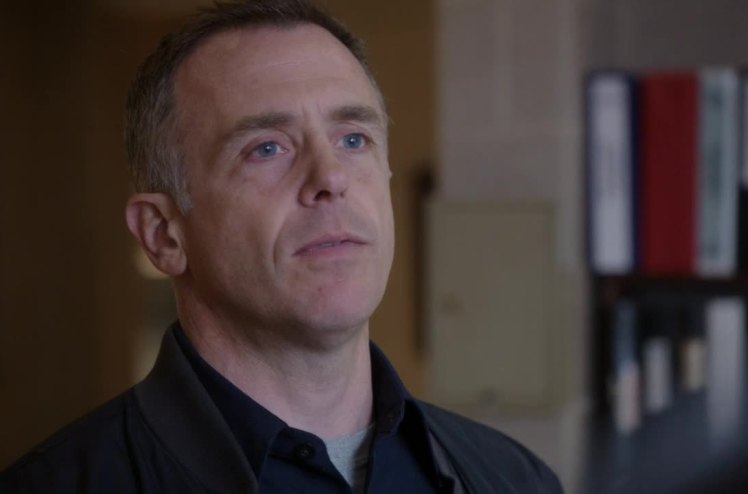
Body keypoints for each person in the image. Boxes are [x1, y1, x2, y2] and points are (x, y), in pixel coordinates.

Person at [0, 1, 562, 492]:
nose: (331, 177)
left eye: (353, 139)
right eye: (266, 148)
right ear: (163, 235)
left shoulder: (514, 480)